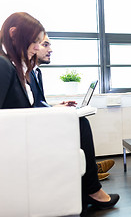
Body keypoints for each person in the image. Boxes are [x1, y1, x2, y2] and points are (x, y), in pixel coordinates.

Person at [0, 12, 119, 214]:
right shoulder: (4, 66)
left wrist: (54, 111)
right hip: (18, 143)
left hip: (24, 137)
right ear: (14, 34)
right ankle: (92, 187)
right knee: (79, 123)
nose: (38, 48)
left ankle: (90, 180)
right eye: (35, 42)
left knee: (77, 120)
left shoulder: (15, 66)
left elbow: (26, 110)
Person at [30, 35, 115, 181]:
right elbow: (31, 109)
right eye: (45, 45)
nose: (50, 50)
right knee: (81, 123)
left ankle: (91, 168)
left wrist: (55, 106)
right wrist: (53, 110)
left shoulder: (36, 72)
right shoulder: (27, 73)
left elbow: (37, 103)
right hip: (37, 126)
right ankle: (91, 172)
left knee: (81, 120)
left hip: (42, 118)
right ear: (32, 46)